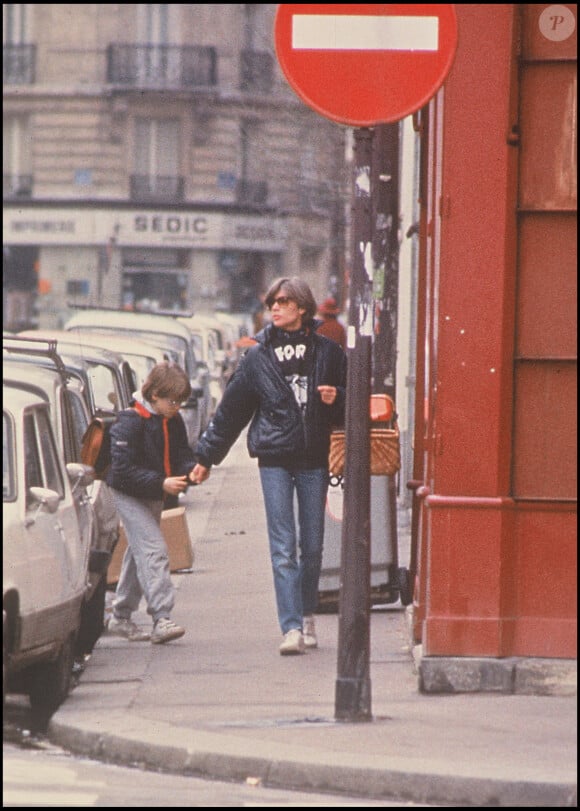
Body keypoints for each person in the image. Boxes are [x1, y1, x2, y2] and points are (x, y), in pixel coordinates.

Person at [192, 277, 347, 656]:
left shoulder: (328, 352)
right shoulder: (257, 358)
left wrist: (337, 396)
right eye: (271, 302)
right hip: (274, 459)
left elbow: (355, 403)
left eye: (282, 302)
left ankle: (307, 613)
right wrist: (205, 458)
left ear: (301, 307)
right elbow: (231, 412)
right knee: (283, 547)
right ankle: (291, 626)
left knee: (312, 546)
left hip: (313, 458)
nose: (274, 308)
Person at [105, 362, 198, 644]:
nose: (178, 407)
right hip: (128, 493)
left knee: (140, 553)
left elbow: (181, 452)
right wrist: (161, 483)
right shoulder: (130, 421)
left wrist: (191, 469)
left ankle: (121, 616)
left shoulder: (171, 418)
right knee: (154, 550)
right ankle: (161, 618)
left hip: (154, 491)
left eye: (181, 402)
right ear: (154, 394)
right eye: (173, 401)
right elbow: (121, 471)